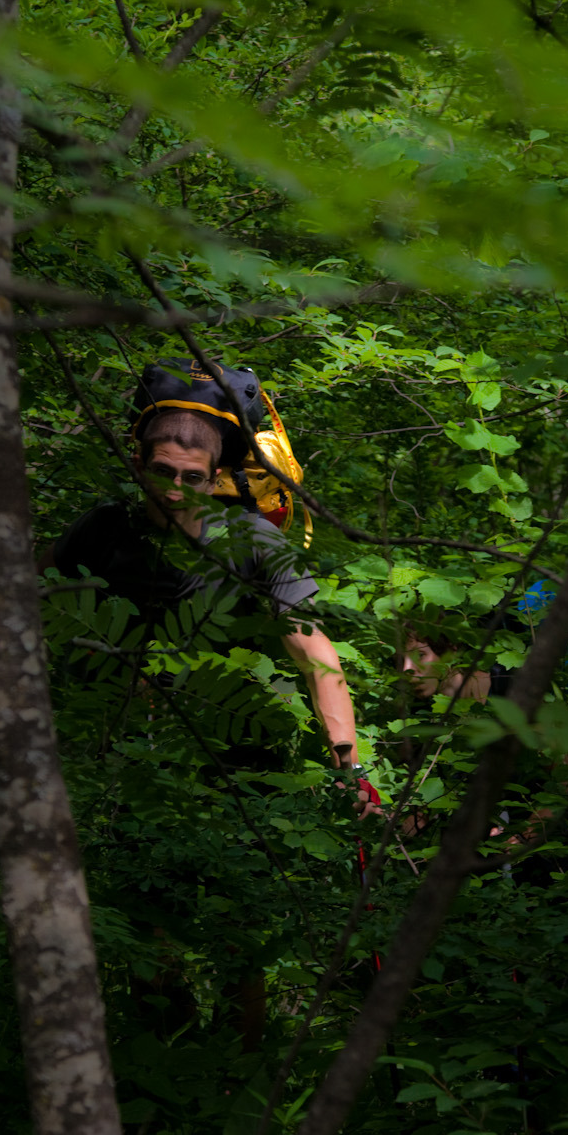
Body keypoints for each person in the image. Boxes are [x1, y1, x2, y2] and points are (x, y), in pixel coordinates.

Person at [42, 360, 375, 1048]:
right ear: (138, 464)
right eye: (162, 471)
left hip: (235, 760)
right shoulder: (104, 533)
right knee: (146, 925)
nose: (175, 489)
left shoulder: (254, 542)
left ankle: (240, 1067)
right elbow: (35, 618)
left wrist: (348, 760)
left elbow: (317, 653)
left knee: (237, 931)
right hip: (132, 761)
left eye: (192, 477)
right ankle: (170, 1061)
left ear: (218, 475)